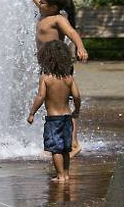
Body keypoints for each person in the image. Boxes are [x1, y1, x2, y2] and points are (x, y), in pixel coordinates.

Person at [12, 0, 87, 156]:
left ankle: (74, 142)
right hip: (47, 64)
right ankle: (60, 141)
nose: (39, 2)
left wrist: (80, 47)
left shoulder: (58, 19)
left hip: (59, 64)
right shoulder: (45, 10)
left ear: (53, 6)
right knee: (51, 103)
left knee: (62, 104)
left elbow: (72, 32)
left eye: (43, 2)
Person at [27, 40, 81, 183]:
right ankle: (67, 174)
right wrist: (77, 109)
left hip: (53, 119)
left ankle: (60, 176)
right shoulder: (68, 78)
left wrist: (32, 113)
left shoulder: (45, 78)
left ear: (45, 58)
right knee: (65, 149)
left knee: (56, 149)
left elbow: (40, 96)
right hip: (67, 117)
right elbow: (76, 95)